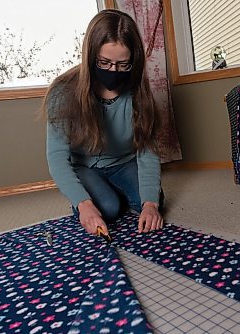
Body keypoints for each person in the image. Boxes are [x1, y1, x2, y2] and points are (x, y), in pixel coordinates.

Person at [43, 9, 163, 237]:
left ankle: (117, 191)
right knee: (107, 208)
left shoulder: (138, 91)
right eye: (105, 63)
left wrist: (150, 205)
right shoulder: (62, 91)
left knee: (151, 202)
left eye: (122, 64)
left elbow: (147, 152)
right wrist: (84, 205)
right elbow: (57, 158)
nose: (113, 71)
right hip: (85, 167)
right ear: (90, 57)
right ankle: (101, 194)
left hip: (125, 162)